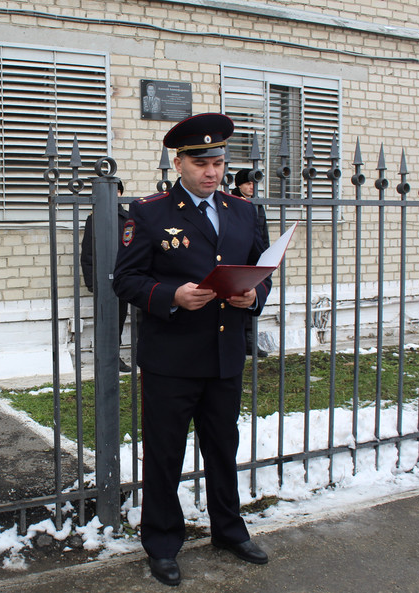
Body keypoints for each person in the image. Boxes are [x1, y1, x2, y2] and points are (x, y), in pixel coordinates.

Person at [113, 113, 271, 586]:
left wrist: (253, 297)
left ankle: (228, 529)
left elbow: (262, 269)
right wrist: (171, 296)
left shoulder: (244, 211)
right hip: (172, 360)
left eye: (219, 162)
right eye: (201, 162)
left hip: (224, 354)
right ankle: (162, 542)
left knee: (223, 447)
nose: (212, 172)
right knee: (165, 453)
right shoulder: (149, 212)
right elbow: (126, 279)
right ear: (178, 163)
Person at [80, 178, 132, 372]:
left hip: (124, 278)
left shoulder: (128, 219)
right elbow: (88, 251)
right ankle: (104, 359)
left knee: (118, 320)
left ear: (120, 194)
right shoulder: (94, 218)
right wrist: (91, 281)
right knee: (105, 320)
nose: (114, 195)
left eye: (117, 192)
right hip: (103, 279)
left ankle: (114, 357)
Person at [232, 168, 270, 358]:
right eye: (248, 183)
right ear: (238, 185)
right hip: (238, 259)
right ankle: (240, 340)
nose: (252, 187)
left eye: (254, 183)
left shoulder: (257, 205)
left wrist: (266, 255)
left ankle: (250, 339)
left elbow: (263, 233)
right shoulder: (232, 202)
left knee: (252, 298)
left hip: (256, 259)